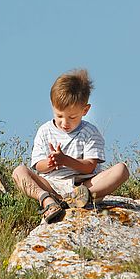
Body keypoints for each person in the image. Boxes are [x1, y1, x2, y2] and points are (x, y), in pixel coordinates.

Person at [12, 68, 129, 223]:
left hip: (82, 186)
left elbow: (89, 167)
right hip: (51, 185)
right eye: (59, 115)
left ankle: (76, 199)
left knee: (122, 170)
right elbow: (38, 166)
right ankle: (47, 201)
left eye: (72, 117)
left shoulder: (90, 132)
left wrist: (65, 160)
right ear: (52, 106)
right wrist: (50, 163)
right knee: (19, 171)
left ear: (85, 110)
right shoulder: (45, 131)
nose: (65, 122)